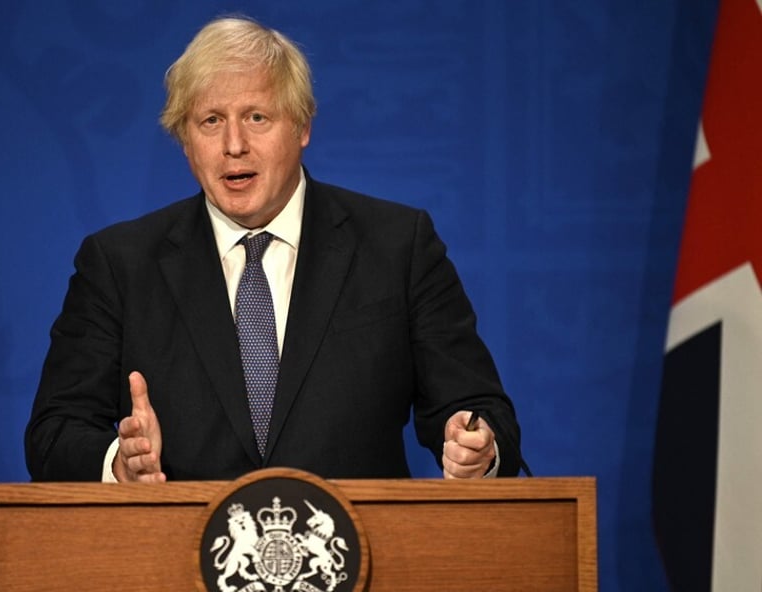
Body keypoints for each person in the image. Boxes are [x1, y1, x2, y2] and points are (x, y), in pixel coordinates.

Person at [25, 16, 524, 484]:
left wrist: (477, 448)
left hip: (360, 561)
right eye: (211, 121)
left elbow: (478, 407)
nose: (234, 144)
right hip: (178, 563)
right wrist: (119, 464)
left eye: (257, 117)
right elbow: (54, 434)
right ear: (185, 140)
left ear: (302, 127)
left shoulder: (398, 245)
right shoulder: (119, 264)